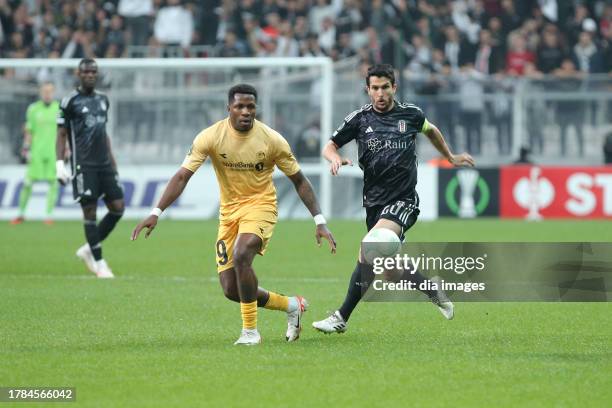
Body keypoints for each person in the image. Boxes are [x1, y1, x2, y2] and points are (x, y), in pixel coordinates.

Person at [131, 84, 337, 346]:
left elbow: (299, 180)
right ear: (228, 108)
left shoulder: (272, 139)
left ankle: (250, 332)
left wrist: (319, 221)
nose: (245, 111)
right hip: (229, 212)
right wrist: (156, 212)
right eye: (239, 106)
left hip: (261, 206)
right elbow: (183, 175)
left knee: (242, 255)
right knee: (231, 289)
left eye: (250, 106)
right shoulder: (211, 136)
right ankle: (290, 305)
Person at [312, 64, 475, 334]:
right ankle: (431, 289)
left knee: (368, 248)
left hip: (404, 200)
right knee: (389, 270)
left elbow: (431, 130)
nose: (380, 93)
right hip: (374, 203)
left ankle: (340, 317)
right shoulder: (359, 119)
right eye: (375, 88)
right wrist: (335, 158)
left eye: (385, 87)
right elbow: (329, 146)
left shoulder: (411, 114)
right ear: (368, 90)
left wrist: (450, 156)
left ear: (394, 87)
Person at [56, 58, 124, 279]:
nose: (90, 75)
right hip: (83, 165)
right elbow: (62, 134)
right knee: (90, 212)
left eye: (93, 72)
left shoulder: (103, 100)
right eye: (86, 72)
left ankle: (88, 248)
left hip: (104, 163)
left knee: (118, 207)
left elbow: (103, 134)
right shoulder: (69, 102)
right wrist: (60, 164)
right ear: (78, 74)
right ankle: (99, 262)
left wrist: (113, 165)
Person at [11, 83, 60, 225]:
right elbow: (29, 130)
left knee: (53, 183)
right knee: (27, 183)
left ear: (53, 92)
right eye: (45, 91)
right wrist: (26, 148)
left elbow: (63, 131)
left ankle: (49, 215)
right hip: (36, 151)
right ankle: (21, 213)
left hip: (53, 152)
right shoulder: (33, 109)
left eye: (50, 91)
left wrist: (66, 149)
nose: (47, 94)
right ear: (40, 92)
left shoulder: (59, 109)